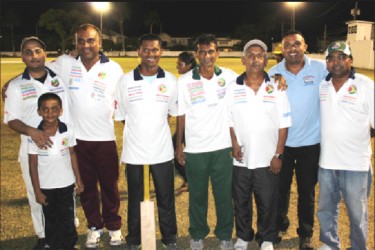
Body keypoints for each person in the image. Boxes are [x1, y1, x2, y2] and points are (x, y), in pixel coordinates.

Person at [46, 24, 123, 248]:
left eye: (90, 40)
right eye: (81, 41)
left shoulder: (114, 68)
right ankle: (95, 227)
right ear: (75, 43)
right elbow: (38, 68)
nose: (86, 45)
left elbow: (124, 99)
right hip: (77, 140)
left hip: (105, 138)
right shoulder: (65, 63)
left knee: (110, 186)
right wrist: (10, 83)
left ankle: (114, 227)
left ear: (99, 43)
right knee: (86, 187)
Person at [3, 36, 70, 250]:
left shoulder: (59, 78)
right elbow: (11, 119)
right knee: (36, 193)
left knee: (65, 192)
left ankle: (67, 232)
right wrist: (32, 131)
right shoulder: (15, 85)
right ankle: (43, 236)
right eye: (28, 52)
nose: (34, 55)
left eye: (38, 51)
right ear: (22, 56)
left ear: (45, 54)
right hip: (32, 148)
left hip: (62, 147)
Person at [115, 33, 178, 250]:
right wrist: (140, 130)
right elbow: (122, 115)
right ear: (139, 51)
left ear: (160, 52)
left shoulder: (170, 80)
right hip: (134, 152)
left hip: (162, 152)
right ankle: (134, 239)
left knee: (166, 199)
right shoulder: (125, 80)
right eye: (146, 49)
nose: (150, 54)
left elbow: (172, 112)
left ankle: (170, 239)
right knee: (135, 199)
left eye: (155, 50)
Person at [175, 34, 237, 250]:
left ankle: (224, 235)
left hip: (223, 148)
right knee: (198, 196)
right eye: (202, 51)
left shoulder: (229, 77)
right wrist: (179, 145)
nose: (207, 55)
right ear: (196, 54)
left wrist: (275, 78)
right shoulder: (184, 81)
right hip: (195, 149)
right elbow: (180, 115)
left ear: (217, 53)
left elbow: (252, 79)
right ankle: (198, 233)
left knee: (223, 196)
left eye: (211, 51)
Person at [229, 39, 292, 250]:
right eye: (251, 55)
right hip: (242, 159)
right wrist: (234, 143)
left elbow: (284, 123)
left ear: (266, 60)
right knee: (241, 201)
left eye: (260, 55)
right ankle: (244, 236)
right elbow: (229, 120)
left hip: (268, 158)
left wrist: (279, 155)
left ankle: (267, 238)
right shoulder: (233, 87)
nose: (255, 59)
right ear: (243, 59)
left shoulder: (277, 86)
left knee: (268, 202)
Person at [268, 29, 328, 249]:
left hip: (311, 144)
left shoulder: (320, 68)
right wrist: (274, 77)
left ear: (305, 46)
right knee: (280, 190)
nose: (292, 48)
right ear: (282, 50)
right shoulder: (273, 72)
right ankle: (280, 225)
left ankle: (305, 233)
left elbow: (341, 77)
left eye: (296, 44)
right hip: (283, 143)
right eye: (287, 45)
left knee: (306, 192)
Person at [317, 41, 374, 250]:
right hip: (327, 162)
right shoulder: (322, 85)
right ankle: (330, 243)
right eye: (331, 58)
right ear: (327, 63)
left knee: (357, 213)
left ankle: (359, 247)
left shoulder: (366, 85)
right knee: (326, 208)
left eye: (342, 57)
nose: (336, 62)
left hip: (356, 164)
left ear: (350, 60)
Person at [28, 93, 84, 249]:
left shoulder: (67, 130)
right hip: (46, 186)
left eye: (54, 109)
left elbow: (72, 154)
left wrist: (78, 179)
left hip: (66, 184)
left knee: (67, 218)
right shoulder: (35, 135)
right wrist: (37, 191)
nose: (50, 113)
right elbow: (32, 165)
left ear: (61, 111)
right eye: (45, 110)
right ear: (39, 111)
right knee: (51, 218)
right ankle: (52, 244)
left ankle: (69, 245)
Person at [174, 51, 197, 194]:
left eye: (180, 64)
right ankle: (190, 180)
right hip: (189, 125)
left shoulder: (191, 79)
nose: (177, 67)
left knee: (177, 149)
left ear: (189, 65)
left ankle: (190, 180)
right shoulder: (185, 79)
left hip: (192, 125)